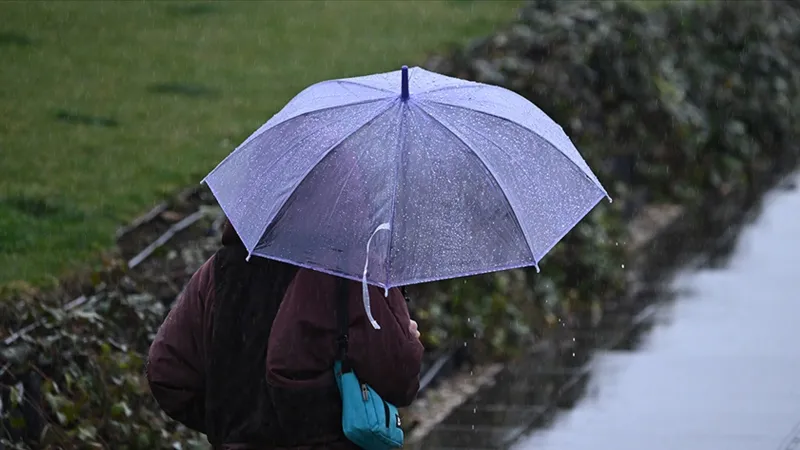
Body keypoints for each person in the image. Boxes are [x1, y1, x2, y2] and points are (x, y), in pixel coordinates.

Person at [146, 219, 424, 450]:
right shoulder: (348, 270)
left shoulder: (222, 270)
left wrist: (233, 425)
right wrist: (406, 338)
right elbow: (399, 376)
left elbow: (168, 372)